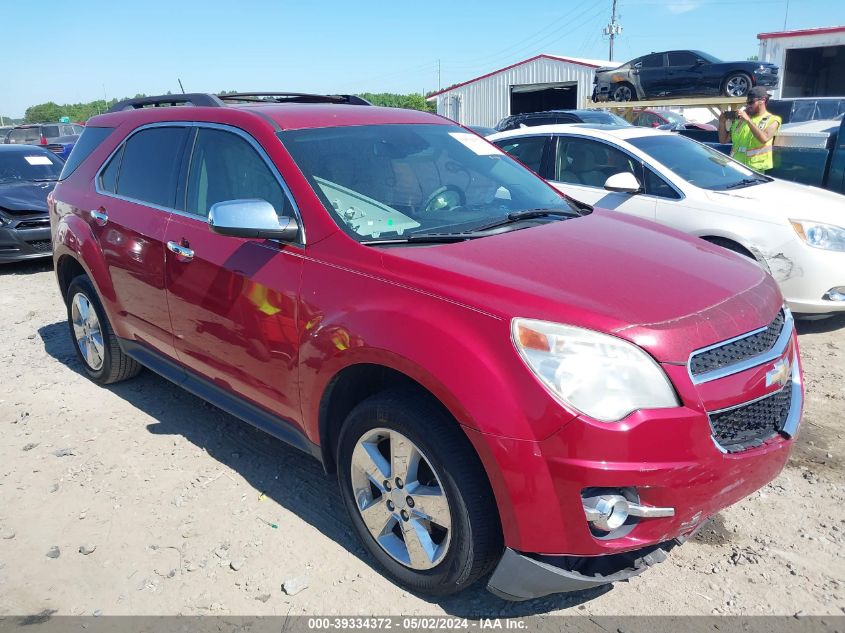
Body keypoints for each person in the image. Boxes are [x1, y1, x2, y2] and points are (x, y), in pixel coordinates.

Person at [718, 86, 781, 172]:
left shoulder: (773, 119)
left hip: (754, 170)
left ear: (762, 100)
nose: (748, 105)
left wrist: (748, 120)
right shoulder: (739, 120)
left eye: (751, 102)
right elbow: (723, 140)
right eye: (747, 103)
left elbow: (764, 138)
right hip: (735, 167)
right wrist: (722, 123)